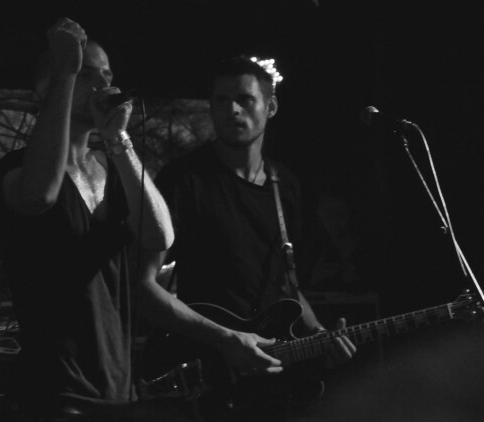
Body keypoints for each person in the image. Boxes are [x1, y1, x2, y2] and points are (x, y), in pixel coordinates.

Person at [0, 19, 282, 422]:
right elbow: (40, 195)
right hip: (52, 393)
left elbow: (160, 235)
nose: (101, 84)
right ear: (48, 86)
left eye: (107, 74)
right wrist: (65, 70)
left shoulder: (111, 169)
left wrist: (119, 140)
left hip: (119, 388)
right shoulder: (19, 168)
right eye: (86, 73)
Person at [151, 55, 356, 420]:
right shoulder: (182, 180)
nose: (232, 109)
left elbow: (287, 285)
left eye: (244, 99)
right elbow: (144, 285)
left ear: (270, 107)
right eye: (221, 100)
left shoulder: (284, 185)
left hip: (270, 378)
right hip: (207, 372)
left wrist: (318, 333)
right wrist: (225, 339)